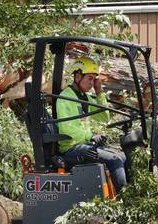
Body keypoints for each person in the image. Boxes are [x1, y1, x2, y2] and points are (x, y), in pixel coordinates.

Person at [55, 56, 128, 192]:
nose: (92, 83)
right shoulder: (65, 98)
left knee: (123, 157)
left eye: (94, 79)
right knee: (115, 160)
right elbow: (67, 129)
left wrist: (99, 91)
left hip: (84, 145)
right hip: (71, 148)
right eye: (89, 78)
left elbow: (104, 116)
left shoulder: (84, 98)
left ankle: (126, 196)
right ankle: (125, 201)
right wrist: (91, 136)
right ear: (77, 77)